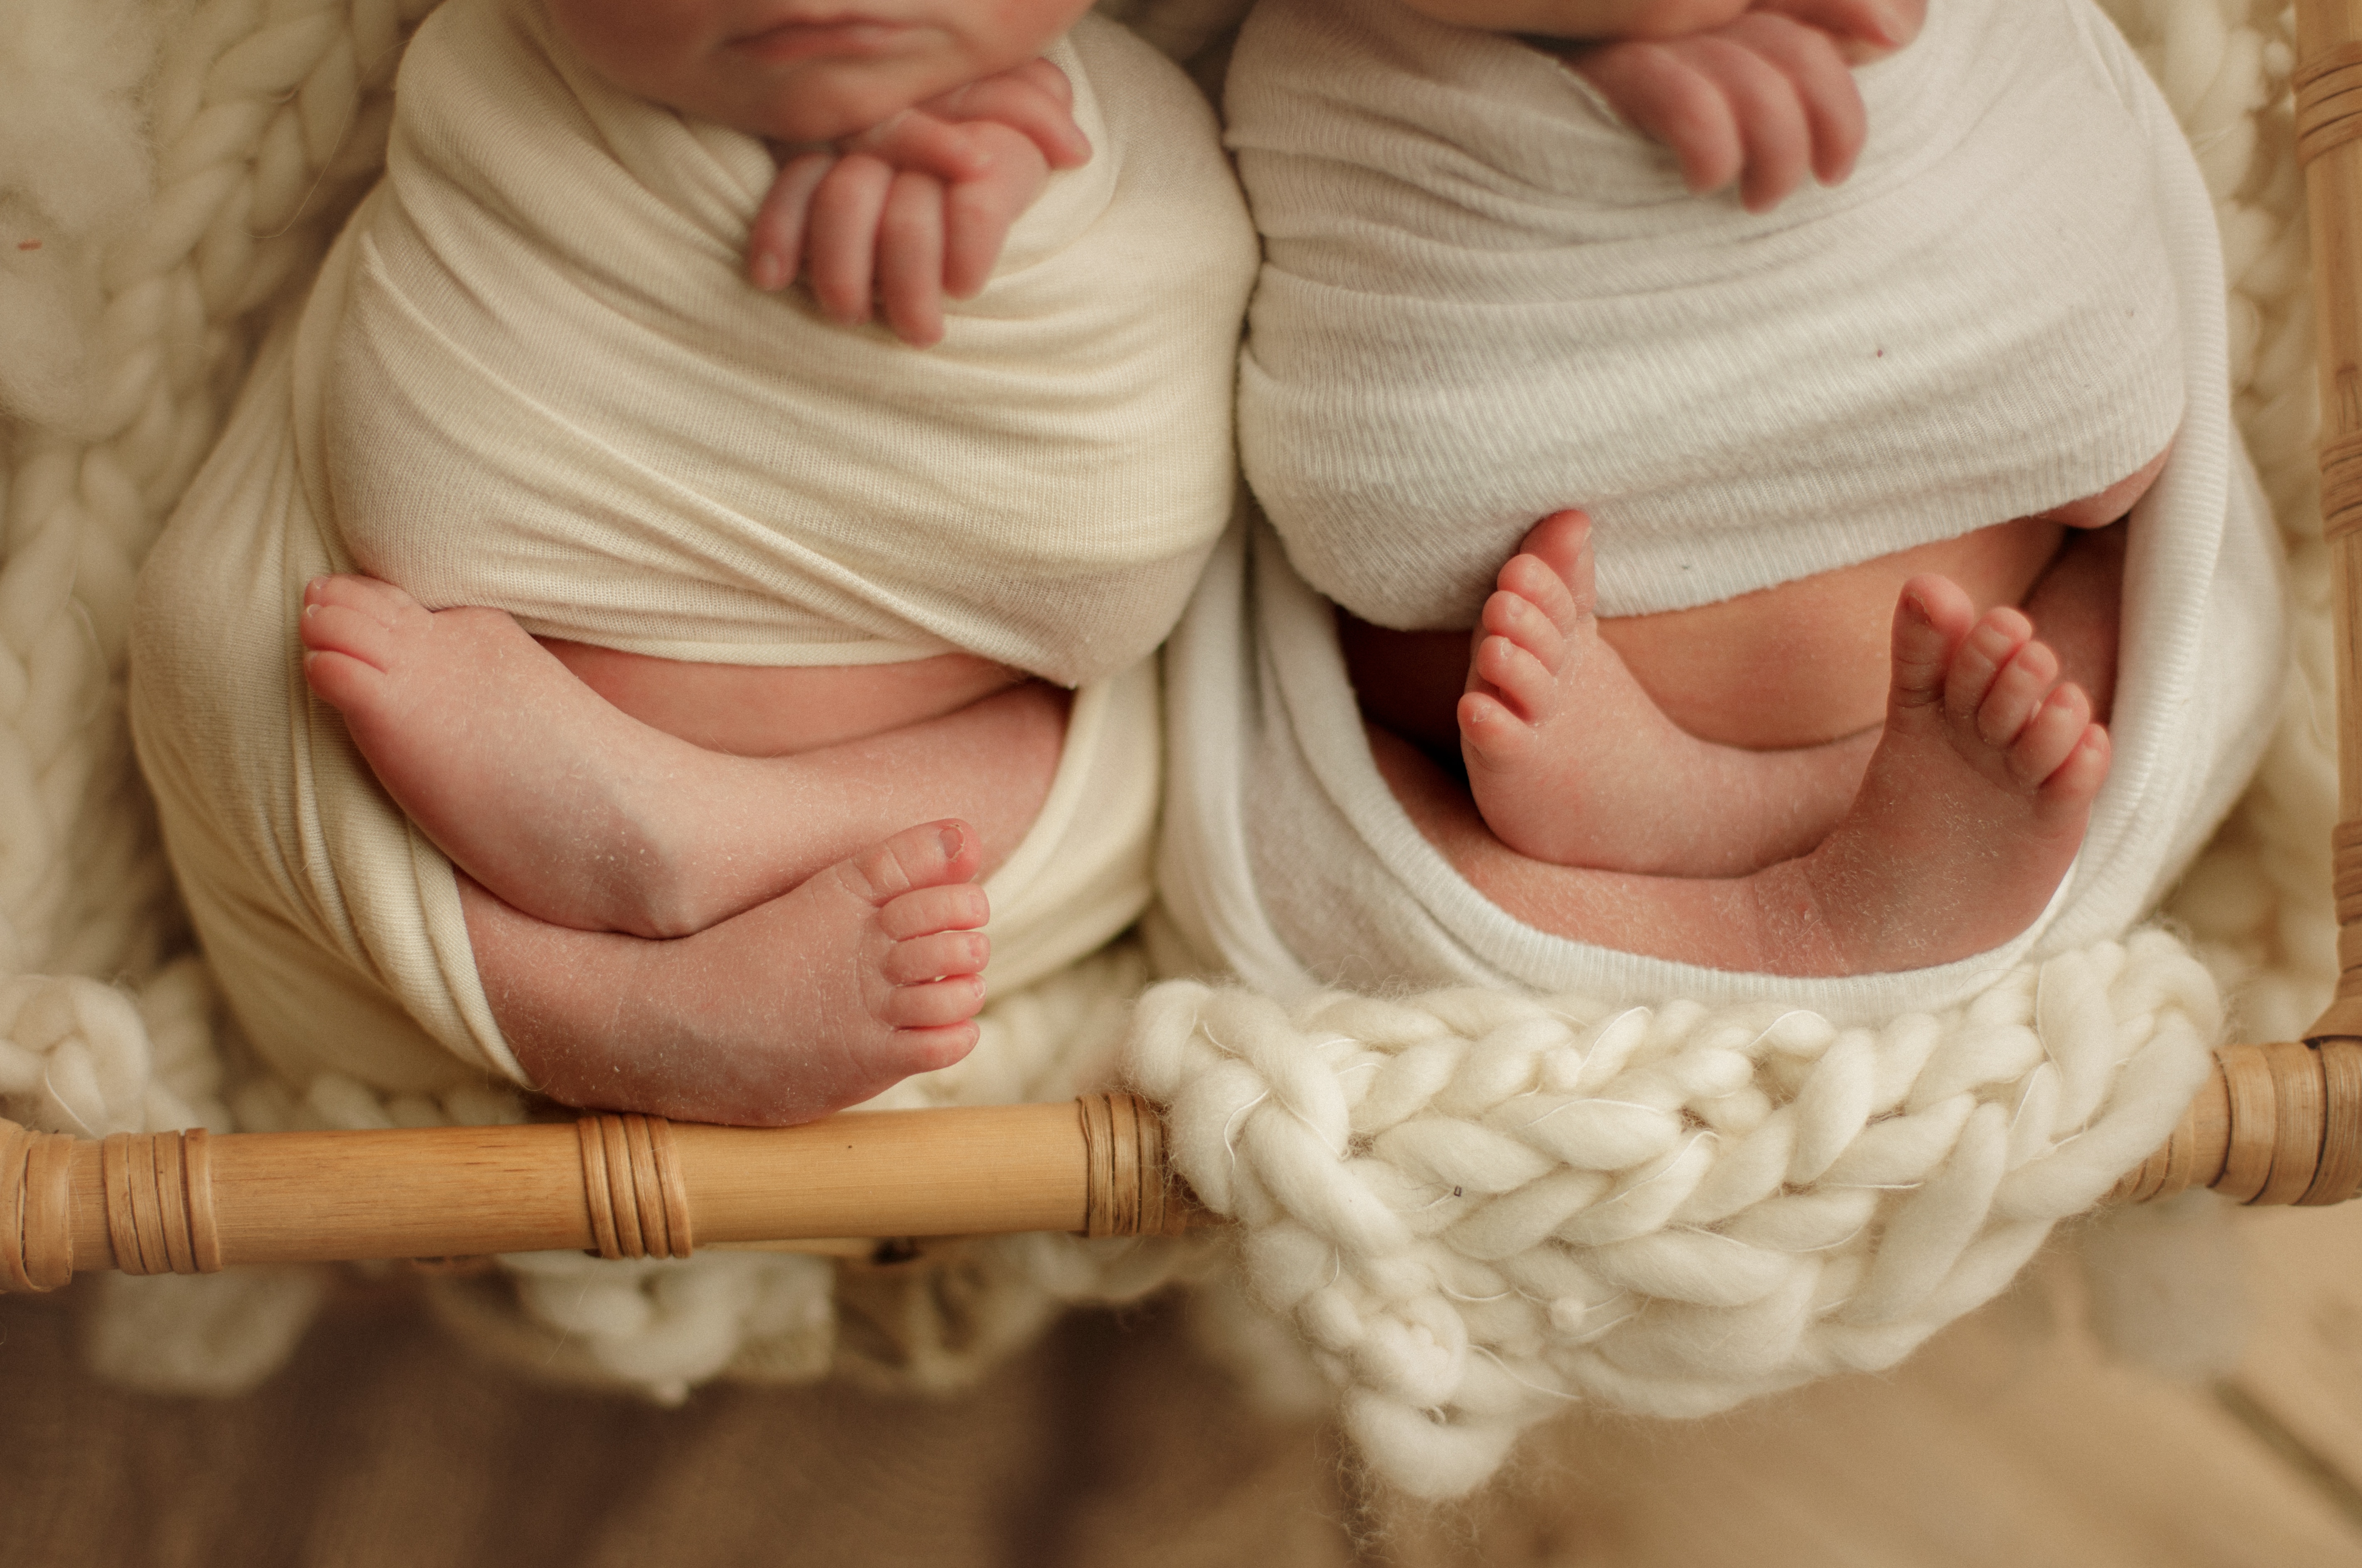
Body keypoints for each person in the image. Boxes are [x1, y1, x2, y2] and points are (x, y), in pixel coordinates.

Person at [129, 0, 1255, 1122]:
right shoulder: (507, 102)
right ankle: (605, 1014)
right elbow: (419, 480)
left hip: (938, 838)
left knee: (1151, 745)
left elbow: (1117, 573)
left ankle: (727, 830)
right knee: (226, 638)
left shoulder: (1137, 180)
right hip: (436, 867)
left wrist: (1002, 199)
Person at [1214, 0, 2254, 981]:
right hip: (1489, 786)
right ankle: (1763, 912)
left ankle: (1791, 821)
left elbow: (2115, 448)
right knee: (1316, 810)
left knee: (2132, 596)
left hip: (1968, 710)